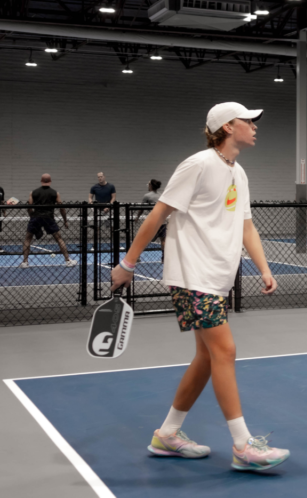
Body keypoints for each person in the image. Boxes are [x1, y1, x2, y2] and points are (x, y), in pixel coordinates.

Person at [110, 102, 289, 472]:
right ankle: (243, 447)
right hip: (193, 275)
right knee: (225, 351)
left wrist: (264, 268)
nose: (255, 126)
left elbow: (246, 227)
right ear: (226, 126)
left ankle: (168, 435)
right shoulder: (198, 164)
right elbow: (159, 214)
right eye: (248, 121)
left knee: (207, 358)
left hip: (216, 278)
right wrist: (128, 264)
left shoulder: (238, 172)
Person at [19, 174, 76, 267]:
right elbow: (61, 208)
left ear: (41, 181)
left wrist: (32, 217)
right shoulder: (55, 193)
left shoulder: (33, 192)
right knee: (59, 239)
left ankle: (25, 262)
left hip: (36, 217)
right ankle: (68, 261)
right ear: (50, 181)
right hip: (49, 218)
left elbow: (29, 207)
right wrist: (65, 220)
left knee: (28, 238)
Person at [140, 179, 167, 255]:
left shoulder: (147, 196)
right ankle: (164, 257)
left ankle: (137, 256)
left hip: (153, 221)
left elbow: (141, 208)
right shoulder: (161, 195)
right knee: (163, 240)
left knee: (143, 238)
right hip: (162, 221)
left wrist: (137, 217)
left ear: (150, 186)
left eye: (148, 185)